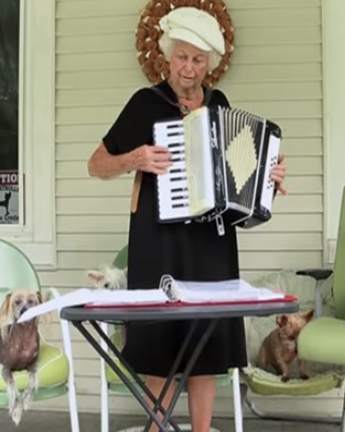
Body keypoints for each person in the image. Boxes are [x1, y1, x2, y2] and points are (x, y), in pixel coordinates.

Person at [87, 7, 287, 432]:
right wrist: (135, 158)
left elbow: (239, 180)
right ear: (167, 55)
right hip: (158, 241)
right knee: (159, 345)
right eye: (182, 57)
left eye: (198, 60)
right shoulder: (145, 104)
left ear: (209, 63)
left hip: (211, 243)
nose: (189, 68)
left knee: (206, 348)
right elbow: (96, 163)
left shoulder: (219, 106)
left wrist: (267, 178)